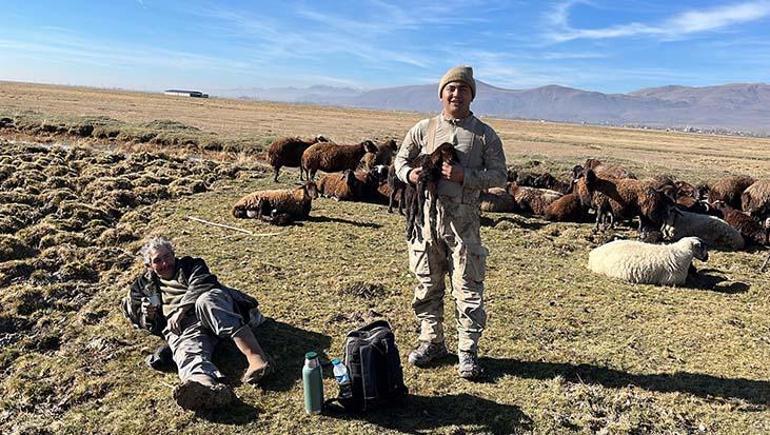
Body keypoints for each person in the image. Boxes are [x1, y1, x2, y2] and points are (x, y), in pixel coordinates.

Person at [393, 65, 507, 379]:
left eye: (463, 89)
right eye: (451, 89)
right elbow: (401, 160)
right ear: (442, 93)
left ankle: (467, 352)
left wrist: (465, 177)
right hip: (426, 219)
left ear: (472, 95)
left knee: (467, 287)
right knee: (427, 282)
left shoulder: (484, 135)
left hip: (464, 223)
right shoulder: (423, 128)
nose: (456, 94)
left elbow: (500, 176)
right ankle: (432, 341)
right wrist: (410, 174)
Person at [121, 236, 272, 410]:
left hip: (212, 312)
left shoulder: (191, 265)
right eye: (157, 260)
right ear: (149, 266)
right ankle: (204, 388)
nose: (165, 263)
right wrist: (149, 315)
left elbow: (204, 283)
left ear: (174, 254)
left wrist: (181, 310)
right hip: (185, 327)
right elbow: (142, 317)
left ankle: (256, 358)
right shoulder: (141, 286)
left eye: (167, 256)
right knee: (187, 350)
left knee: (206, 300)